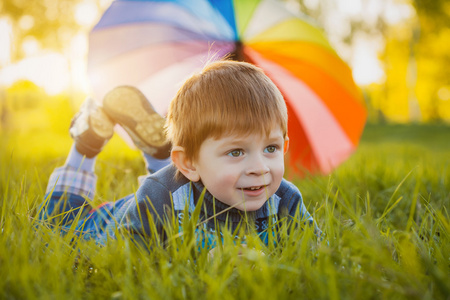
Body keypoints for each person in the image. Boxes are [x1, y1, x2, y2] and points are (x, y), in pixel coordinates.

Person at [38, 60, 317, 249]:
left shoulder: (286, 200)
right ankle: (86, 141)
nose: (260, 168)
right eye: (236, 151)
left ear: (285, 147)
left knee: (187, 169)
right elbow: (132, 260)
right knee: (55, 225)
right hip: (105, 223)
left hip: (181, 176)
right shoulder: (159, 196)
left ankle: (160, 152)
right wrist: (199, 263)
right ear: (188, 164)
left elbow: (317, 253)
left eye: (271, 149)